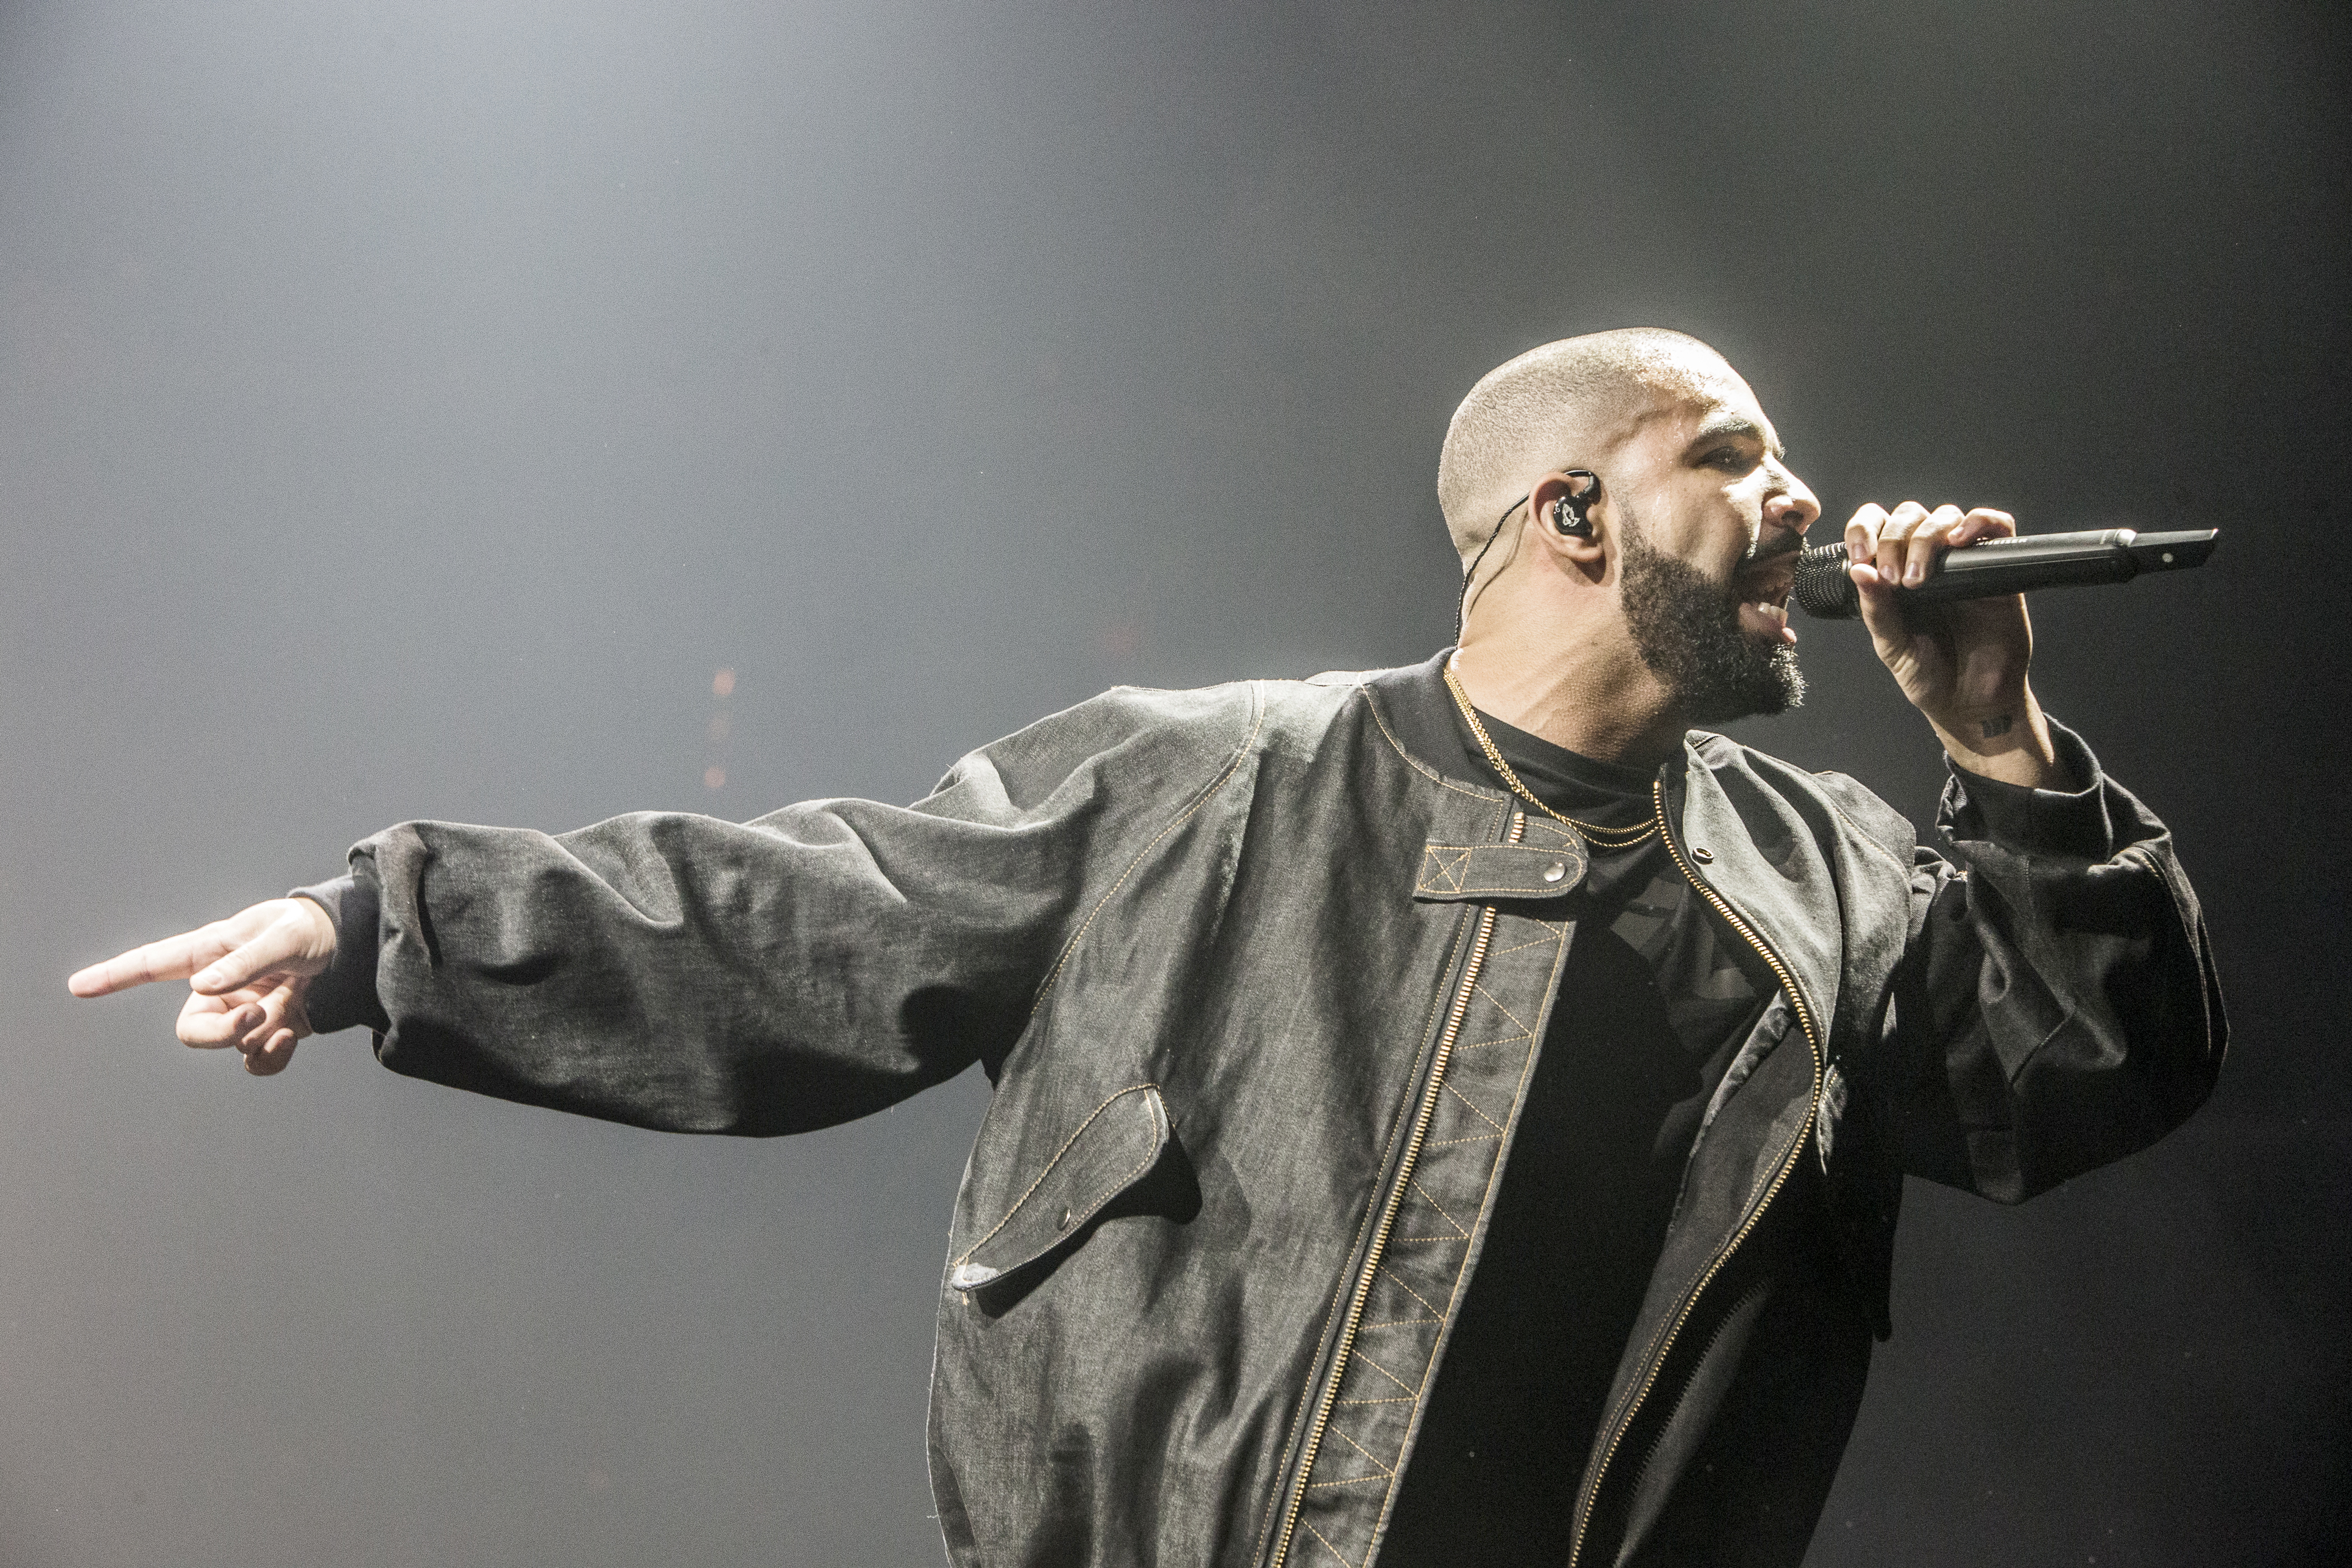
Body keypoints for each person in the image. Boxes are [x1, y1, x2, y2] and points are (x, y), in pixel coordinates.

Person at [69, 329, 2223, 1568]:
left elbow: (2082, 1073)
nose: (1803, 501)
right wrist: (374, 926)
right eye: (1728, 454)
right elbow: (806, 914)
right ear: (1570, 513)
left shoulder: (1830, 877)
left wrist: (2000, 744)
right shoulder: (1213, 784)